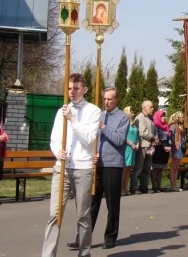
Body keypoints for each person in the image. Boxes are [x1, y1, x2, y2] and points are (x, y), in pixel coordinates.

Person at [42, 73, 101, 257]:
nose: (72, 92)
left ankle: (84, 253)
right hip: (62, 168)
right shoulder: (62, 111)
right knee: (54, 214)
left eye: (76, 88)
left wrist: (74, 119)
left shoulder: (93, 111)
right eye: (69, 88)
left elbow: (89, 140)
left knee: (83, 215)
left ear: (84, 89)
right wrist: (56, 151)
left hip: (82, 169)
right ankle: (48, 254)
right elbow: (54, 139)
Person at [68, 87, 129, 250]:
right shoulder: (99, 114)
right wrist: (92, 152)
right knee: (91, 203)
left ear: (116, 99)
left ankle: (110, 237)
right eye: (104, 99)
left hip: (113, 165)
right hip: (96, 164)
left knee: (112, 203)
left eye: (110, 99)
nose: (106, 102)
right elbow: (90, 138)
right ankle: (82, 236)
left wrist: (102, 126)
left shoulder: (123, 118)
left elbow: (119, 139)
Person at [130, 100, 157, 194]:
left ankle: (144, 186)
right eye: (151, 107)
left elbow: (155, 130)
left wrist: (155, 139)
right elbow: (143, 132)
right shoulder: (139, 118)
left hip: (150, 146)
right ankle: (133, 187)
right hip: (142, 146)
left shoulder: (150, 119)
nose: (152, 109)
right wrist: (153, 137)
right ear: (144, 107)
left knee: (147, 167)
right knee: (138, 167)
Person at [151, 110, 171, 193]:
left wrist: (169, 147)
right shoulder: (155, 126)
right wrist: (164, 147)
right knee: (155, 169)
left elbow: (167, 138)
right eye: (162, 116)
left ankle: (159, 186)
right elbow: (157, 139)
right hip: (158, 150)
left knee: (160, 169)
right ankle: (154, 186)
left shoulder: (165, 126)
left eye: (164, 116)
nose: (163, 117)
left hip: (164, 151)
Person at [122, 106, 139, 196]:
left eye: (133, 112)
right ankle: (121, 188)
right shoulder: (124, 124)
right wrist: (132, 144)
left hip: (134, 148)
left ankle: (126, 187)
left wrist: (137, 144)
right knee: (124, 168)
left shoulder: (133, 124)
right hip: (127, 148)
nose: (132, 114)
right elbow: (123, 137)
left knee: (129, 169)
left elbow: (137, 135)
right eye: (131, 112)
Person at [169, 111, 186, 192]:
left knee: (177, 168)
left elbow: (183, 139)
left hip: (180, 148)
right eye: (181, 117)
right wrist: (173, 150)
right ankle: (172, 185)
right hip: (175, 148)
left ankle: (175, 184)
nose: (183, 118)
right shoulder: (173, 126)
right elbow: (172, 139)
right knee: (173, 168)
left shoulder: (181, 126)